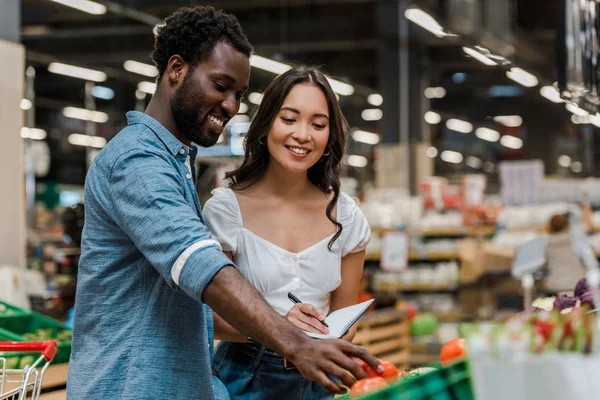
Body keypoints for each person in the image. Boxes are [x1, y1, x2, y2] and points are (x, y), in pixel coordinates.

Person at [66, 6, 381, 400]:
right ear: (176, 69)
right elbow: (201, 265)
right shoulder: (136, 161)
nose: (231, 106)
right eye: (220, 85)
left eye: (239, 94)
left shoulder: (175, 161)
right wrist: (296, 343)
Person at [204, 66, 370, 400]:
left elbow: (345, 318)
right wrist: (283, 330)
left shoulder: (347, 216)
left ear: (329, 137)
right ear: (266, 125)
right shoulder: (226, 210)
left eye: (318, 124)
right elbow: (208, 317)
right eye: (289, 119)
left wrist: (327, 335)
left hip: (319, 378)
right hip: (242, 377)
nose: (303, 134)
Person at [544, 212, 587, 293]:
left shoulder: (545, 243)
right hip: (578, 282)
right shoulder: (575, 238)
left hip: (557, 285)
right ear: (567, 225)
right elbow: (588, 225)